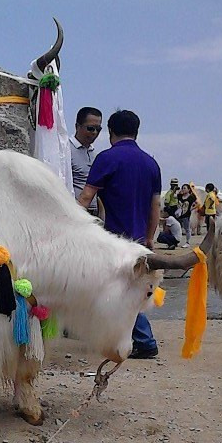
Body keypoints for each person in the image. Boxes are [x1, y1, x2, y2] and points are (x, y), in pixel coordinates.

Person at [78, 109, 161, 359]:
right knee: (135, 288)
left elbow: (86, 197)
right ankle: (133, 339)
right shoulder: (151, 163)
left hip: (115, 239)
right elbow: (155, 205)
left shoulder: (106, 159)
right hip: (140, 239)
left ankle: (144, 340)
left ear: (111, 132)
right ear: (136, 131)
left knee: (121, 291)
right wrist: (149, 236)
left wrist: (68, 222)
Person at [70, 107, 102, 214]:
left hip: (94, 211)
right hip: (74, 210)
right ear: (77, 127)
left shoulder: (94, 154)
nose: (94, 133)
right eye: (90, 128)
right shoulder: (66, 150)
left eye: (98, 129)